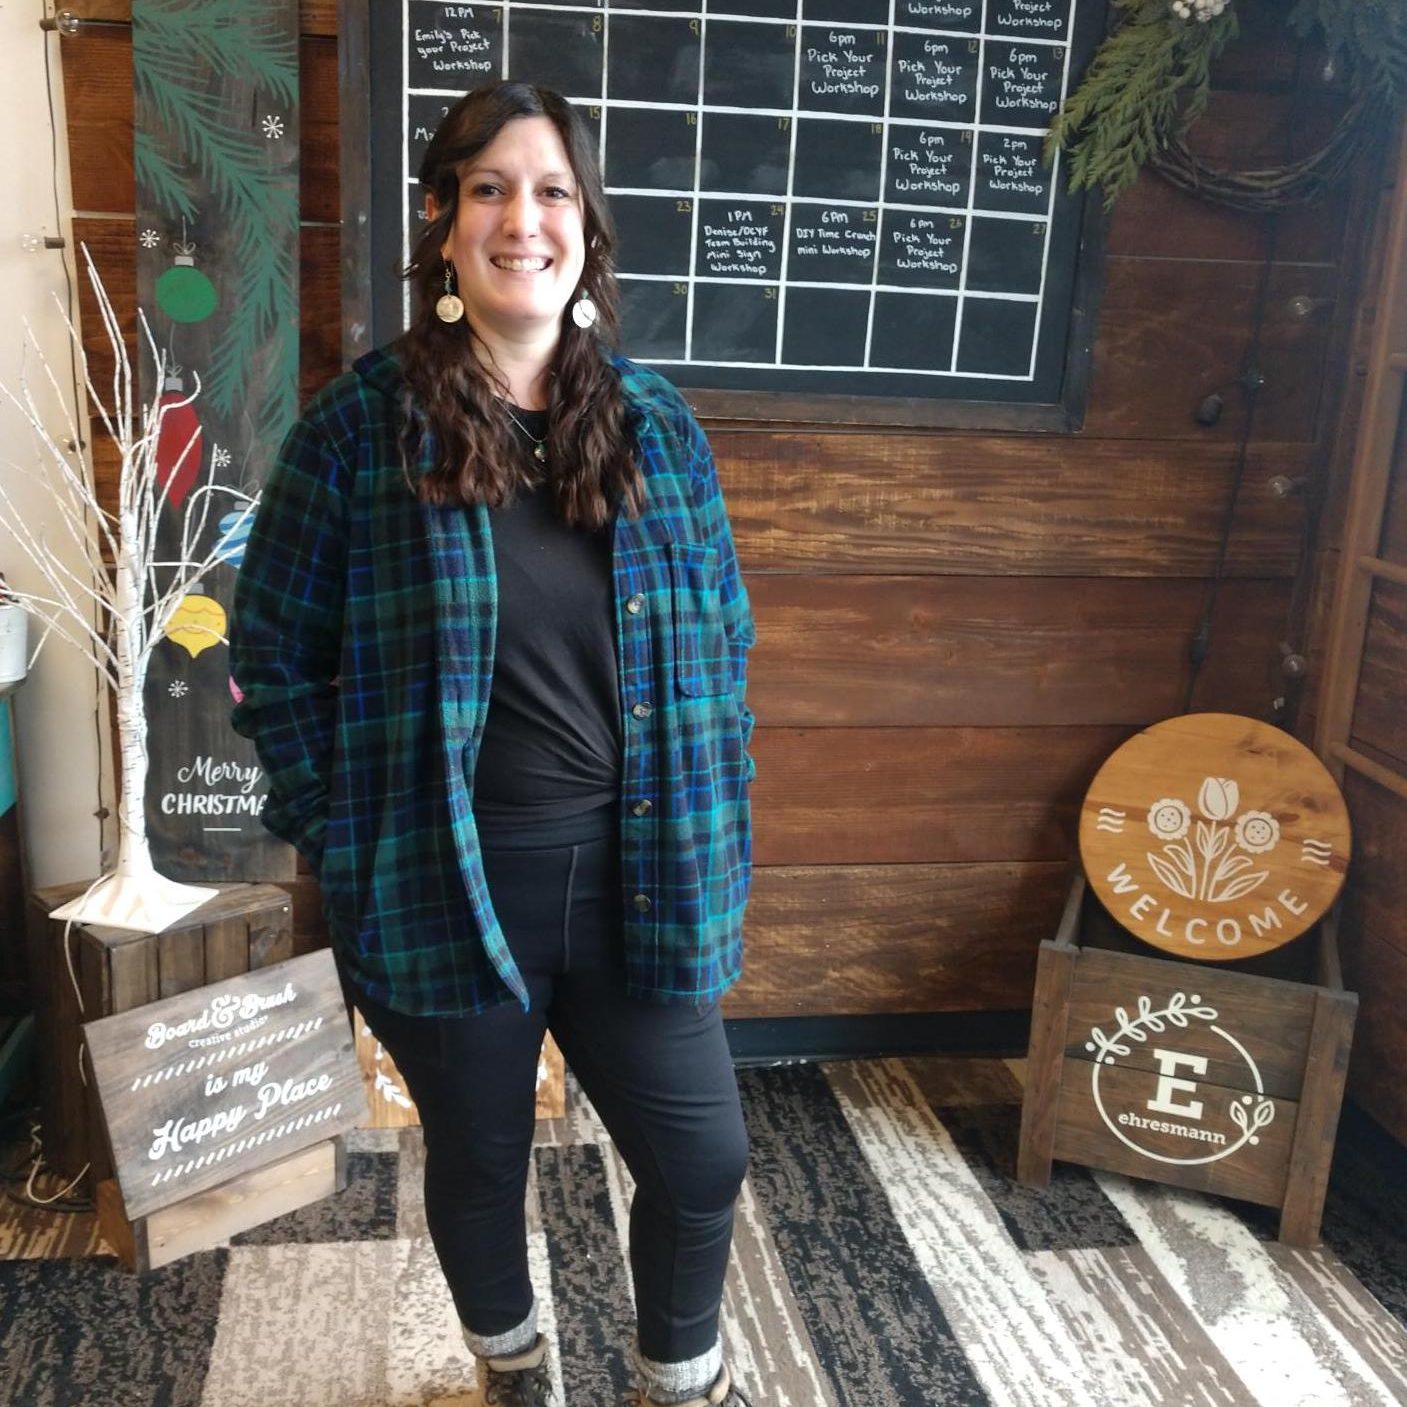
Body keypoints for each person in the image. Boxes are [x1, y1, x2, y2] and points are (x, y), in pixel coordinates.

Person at [229, 80, 756, 1407]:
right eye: (492, 189)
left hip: (642, 874)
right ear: (444, 224)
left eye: (554, 191)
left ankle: (676, 1383)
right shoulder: (359, 430)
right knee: (478, 1162)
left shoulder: (658, 430)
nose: (527, 219)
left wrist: (728, 784)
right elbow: (272, 653)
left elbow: (723, 644)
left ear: (587, 228)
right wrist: (336, 825)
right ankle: (511, 1373)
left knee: (701, 1164)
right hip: (441, 881)